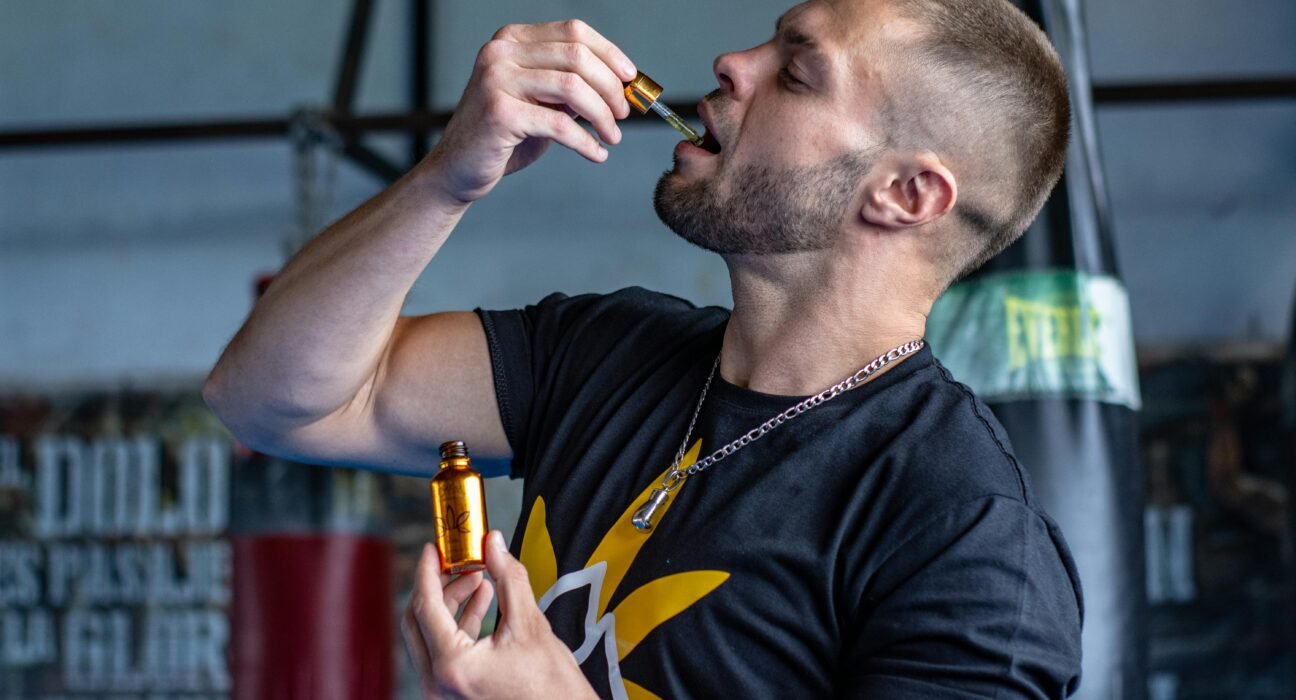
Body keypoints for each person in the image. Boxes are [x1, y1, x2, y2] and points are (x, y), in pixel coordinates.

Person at [204, 0, 1083, 696]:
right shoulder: (603, 350)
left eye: (797, 73)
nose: (732, 63)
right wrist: (447, 179)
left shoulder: (965, 538)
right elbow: (268, 400)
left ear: (906, 194)